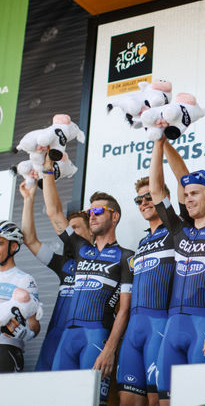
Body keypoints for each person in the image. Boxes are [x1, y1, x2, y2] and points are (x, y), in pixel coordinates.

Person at [149, 136, 205, 404]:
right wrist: (157, 141)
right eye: (186, 195)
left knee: (204, 401)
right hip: (172, 327)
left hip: (203, 325)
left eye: (194, 194)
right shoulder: (179, 231)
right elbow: (156, 192)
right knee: (166, 401)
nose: (188, 200)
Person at [42, 154, 133, 404]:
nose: (91, 216)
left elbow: (124, 310)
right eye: (88, 212)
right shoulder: (81, 249)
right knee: (59, 401)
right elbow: (54, 212)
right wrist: (47, 170)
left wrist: (110, 349)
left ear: (114, 216)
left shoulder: (126, 257)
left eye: (97, 211)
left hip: (96, 336)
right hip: (67, 336)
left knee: (90, 402)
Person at [117, 140, 189, 406]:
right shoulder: (141, 242)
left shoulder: (178, 229)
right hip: (134, 329)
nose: (144, 202)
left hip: (161, 325)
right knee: (127, 401)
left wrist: (161, 141)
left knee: (157, 401)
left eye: (149, 196)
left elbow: (184, 180)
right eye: (139, 199)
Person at [19, 180, 93, 371]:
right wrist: (28, 199)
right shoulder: (64, 264)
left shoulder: (103, 262)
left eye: (75, 228)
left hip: (83, 341)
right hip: (54, 339)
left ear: (91, 233)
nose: (69, 232)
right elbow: (30, 240)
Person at [0, 220, 40, 372]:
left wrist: (26, 333)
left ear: (13, 246)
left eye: (0, 243)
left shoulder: (25, 280)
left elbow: (34, 324)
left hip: (5, 349)